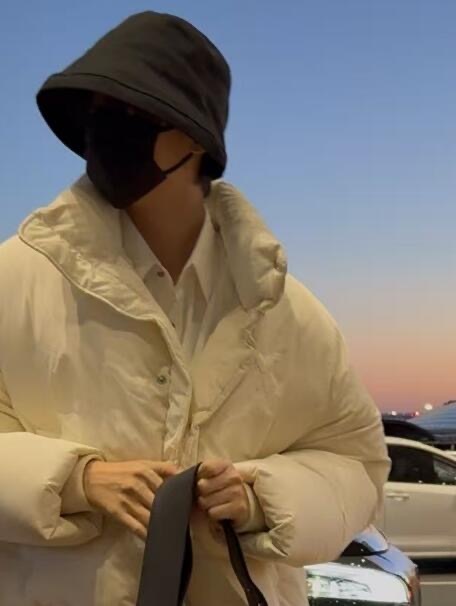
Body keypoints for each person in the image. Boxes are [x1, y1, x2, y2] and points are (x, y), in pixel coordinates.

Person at [0, 11, 390, 606]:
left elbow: (357, 464)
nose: (108, 133)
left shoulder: (287, 312)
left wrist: (261, 496)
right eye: (98, 113)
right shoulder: (14, 282)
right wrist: (77, 480)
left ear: (196, 139)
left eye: (135, 114)